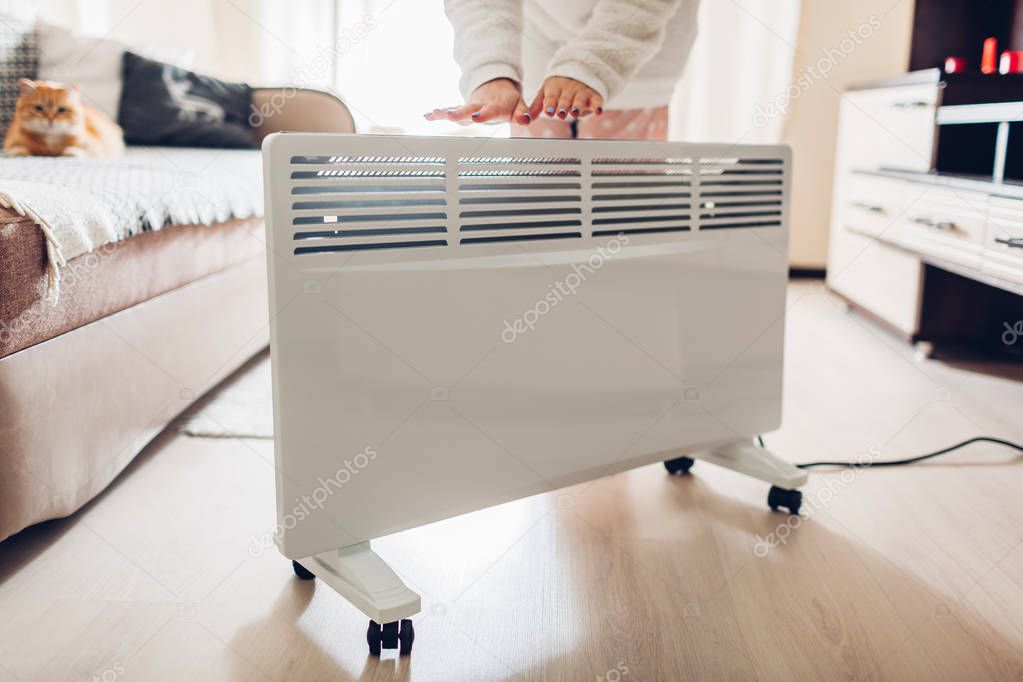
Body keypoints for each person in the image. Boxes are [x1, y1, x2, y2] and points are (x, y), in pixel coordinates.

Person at [426, 0, 700, 140]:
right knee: (539, 214)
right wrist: (492, 73)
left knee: (619, 214)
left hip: (633, 61)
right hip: (533, 66)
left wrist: (593, 63)